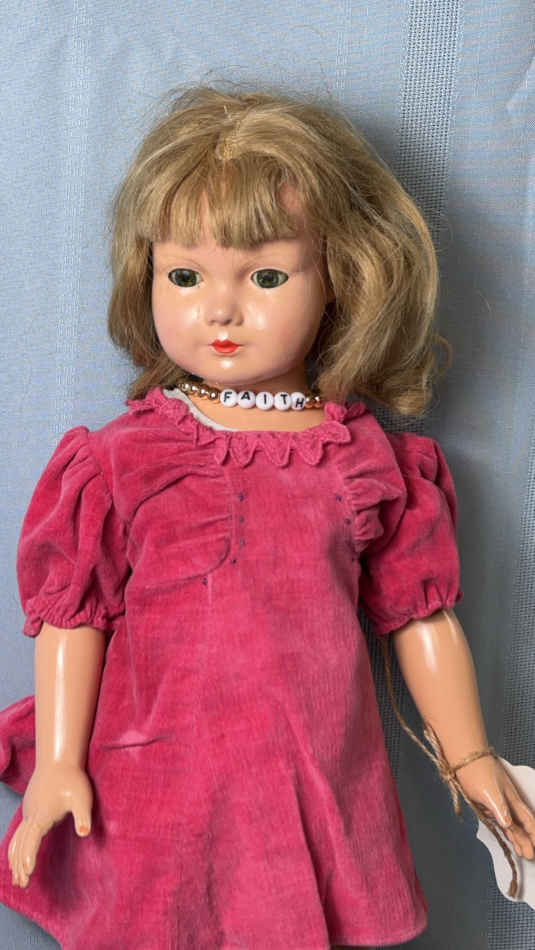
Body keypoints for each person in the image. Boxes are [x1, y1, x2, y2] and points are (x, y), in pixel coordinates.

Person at [0, 84, 533, 950]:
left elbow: (419, 617)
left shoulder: (364, 463)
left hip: (315, 779)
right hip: (162, 788)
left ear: (342, 279)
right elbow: (74, 617)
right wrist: (60, 761)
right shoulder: (122, 460)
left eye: (266, 276)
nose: (220, 309)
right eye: (184, 276)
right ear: (146, 276)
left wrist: (470, 757)